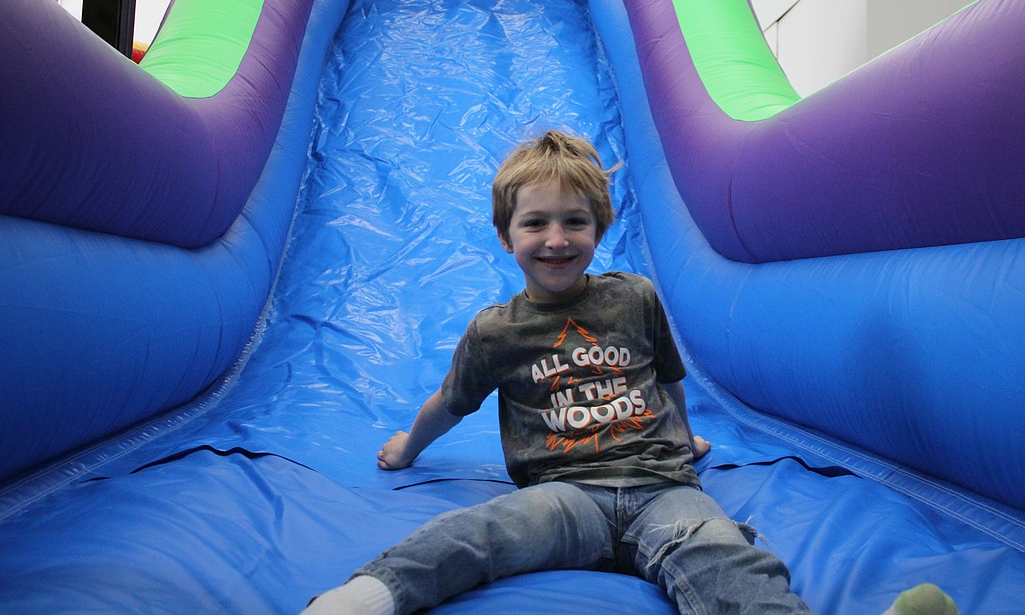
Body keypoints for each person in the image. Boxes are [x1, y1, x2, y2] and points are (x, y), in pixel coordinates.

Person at [304, 130, 957, 615]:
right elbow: (453, 400)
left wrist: (681, 434)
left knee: (720, 555)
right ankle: (369, 595)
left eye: (574, 221)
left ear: (600, 226)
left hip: (660, 486)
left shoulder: (634, 297)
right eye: (536, 223)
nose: (556, 238)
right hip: (567, 493)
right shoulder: (495, 331)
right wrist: (407, 446)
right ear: (506, 236)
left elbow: (666, 377)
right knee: (479, 533)